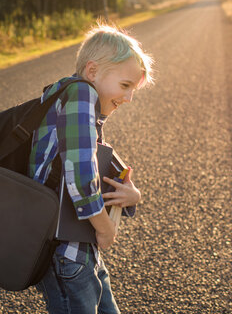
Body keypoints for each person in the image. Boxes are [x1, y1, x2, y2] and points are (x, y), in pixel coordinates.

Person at [28, 23, 154, 314]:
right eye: (125, 86)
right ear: (93, 71)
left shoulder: (79, 103)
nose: (129, 98)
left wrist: (132, 197)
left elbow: (100, 168)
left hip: (80, 252)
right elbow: (82, 177)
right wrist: (106, 228)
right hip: (65, 253)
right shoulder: (82, 96)